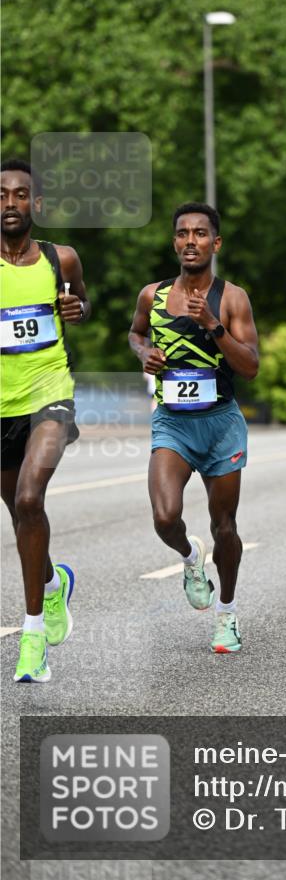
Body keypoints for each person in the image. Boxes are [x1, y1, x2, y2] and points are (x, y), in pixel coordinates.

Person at [128, 202, 259, 654]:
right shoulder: (153, 295)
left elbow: (251, 366)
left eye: (200, 234)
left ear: (215, 243)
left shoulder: (232, 298)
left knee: (225, 525)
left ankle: (227, 614)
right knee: (165, 517)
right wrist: (142, 353)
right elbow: (136, 333)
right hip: (173, 424)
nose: (190, 241)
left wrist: (212, 325)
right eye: (182, 233)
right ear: (174, 242)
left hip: (221, 424)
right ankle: (189, 558)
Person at [1, 158, 91, 683]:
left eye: (20, 195)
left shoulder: (61, 258)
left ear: (35, 205)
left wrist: (79, 309)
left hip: (49, 391)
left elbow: (81, 303)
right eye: (2, 195)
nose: (10, 204)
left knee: (31, 498)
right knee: (18, 510)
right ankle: (53, 583)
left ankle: (33, 635)